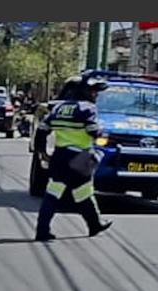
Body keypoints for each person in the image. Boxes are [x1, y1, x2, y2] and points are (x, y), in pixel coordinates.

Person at [33, 75, 113, 242]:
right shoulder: (88, 108)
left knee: (53, 193)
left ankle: (42, 230)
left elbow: (42, 130)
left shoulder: (59, 108)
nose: (95, 95)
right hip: (81, 156)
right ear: (84, 91)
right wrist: (102, 134)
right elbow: (92, 130)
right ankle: (94, 223)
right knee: (84, 191)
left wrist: (42, 151)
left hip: (60, 156)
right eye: (93, 91)